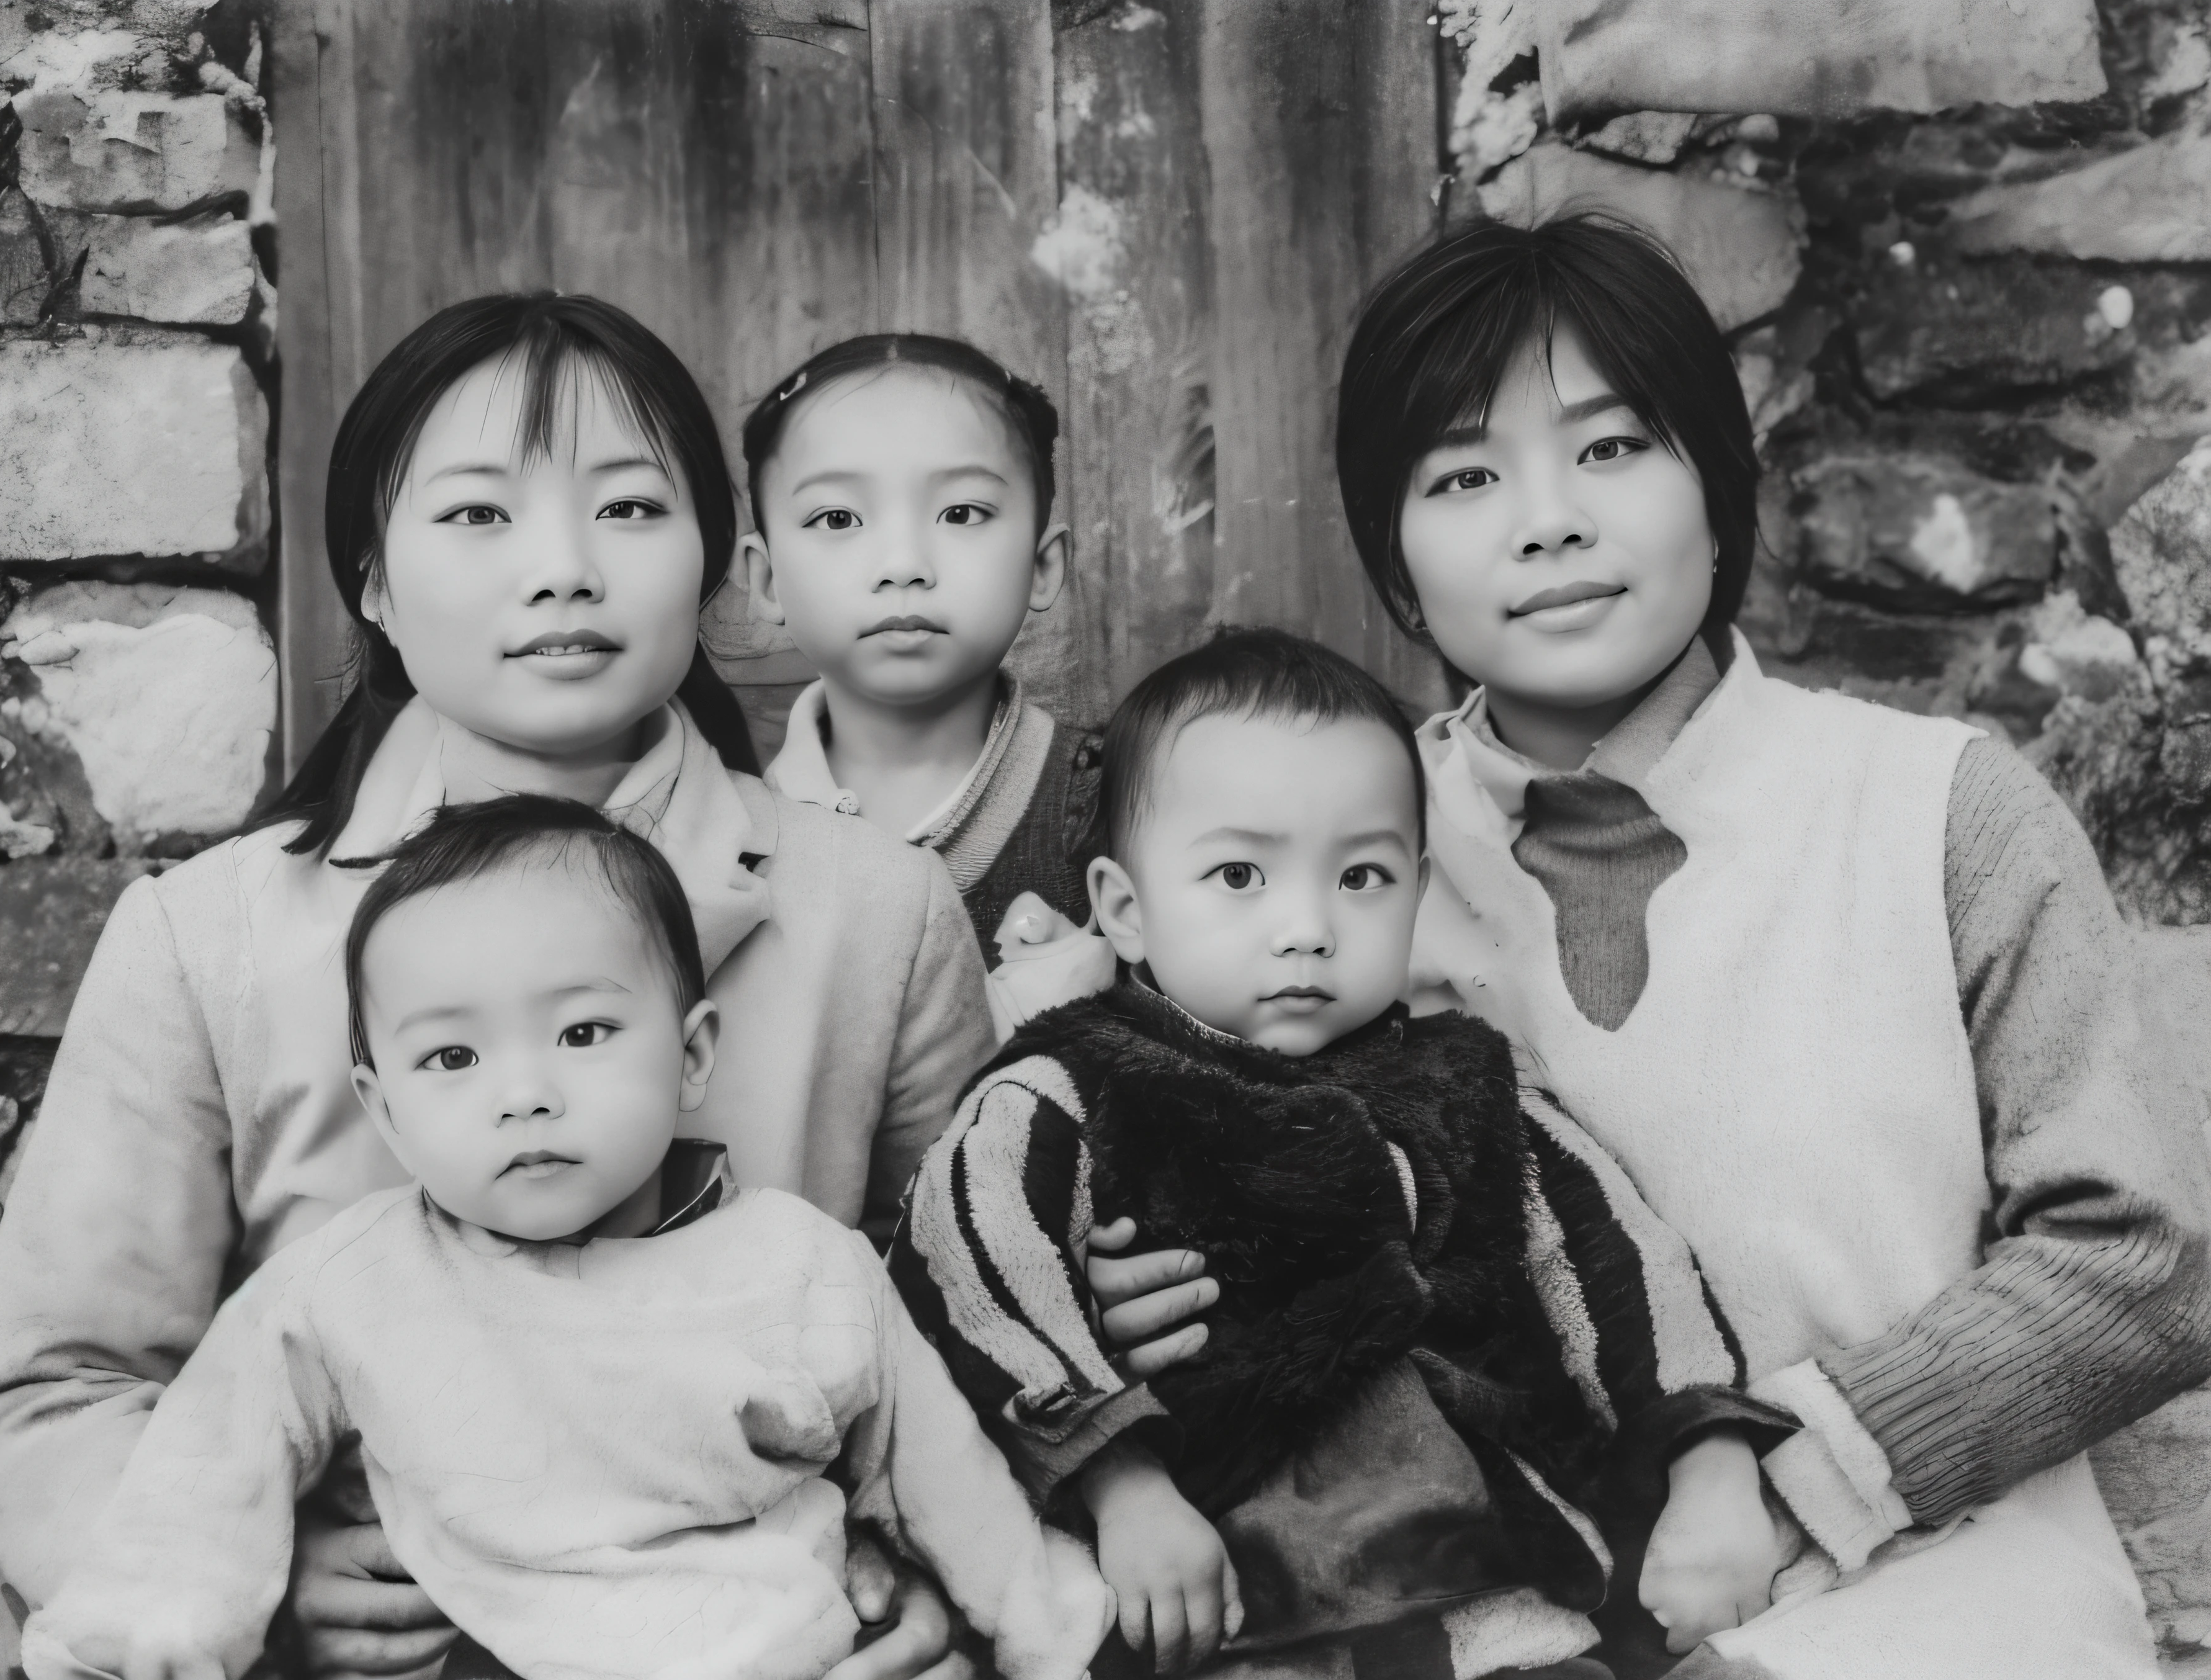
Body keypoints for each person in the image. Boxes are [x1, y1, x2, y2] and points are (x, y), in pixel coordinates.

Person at [0, 294, 998, 1680]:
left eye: (627, 509)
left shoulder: (876, 911)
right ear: (372, 583)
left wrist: (918, 1581)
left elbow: (961, 1338)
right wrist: (251, 1574)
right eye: (478, 517)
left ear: (714, 564)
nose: (562, 571)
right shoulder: (213, 936)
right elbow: (46, 1398)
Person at [1334, 214, 2211, 1678]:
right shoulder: (1327, 861)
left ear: (1716, 486)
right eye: (1464, 475)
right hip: (1491, 1615)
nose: (1545, 519)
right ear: (1394, 557)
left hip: (1930, 1582)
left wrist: (1802, 1465)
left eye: (1610, 449)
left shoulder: (1935, 808)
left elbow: (2141, 1254)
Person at [17, 796, 1110, 1680]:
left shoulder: (803, 1266)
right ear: (383, 1105)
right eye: (453, 1059)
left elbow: (942, 1483)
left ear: (691, 1057)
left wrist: (1052, 1632)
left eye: (584, 1032)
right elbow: (204, 1483)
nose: (525, 1093)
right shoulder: (347, 1289)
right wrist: (146, 1637)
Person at [890, 629, 1796, 1680]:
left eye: (1361, 874)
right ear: (1125, 909)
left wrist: (1710, 1458)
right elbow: (966, 1253)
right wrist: (1122, 1482)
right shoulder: (1075, 1085)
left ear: (1416, 889)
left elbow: (1613, 1266)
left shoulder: (1468, 1083)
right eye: (1239, 873)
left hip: (1486, 1593)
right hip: (1213, 1588)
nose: (1308, 926)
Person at [734, 336, 1113, 1034]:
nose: (903, 564)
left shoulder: (1113, 801)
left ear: (1043, 565)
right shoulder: (728, 841)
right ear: (765, 580)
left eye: (961, 513)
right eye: (837, 518)